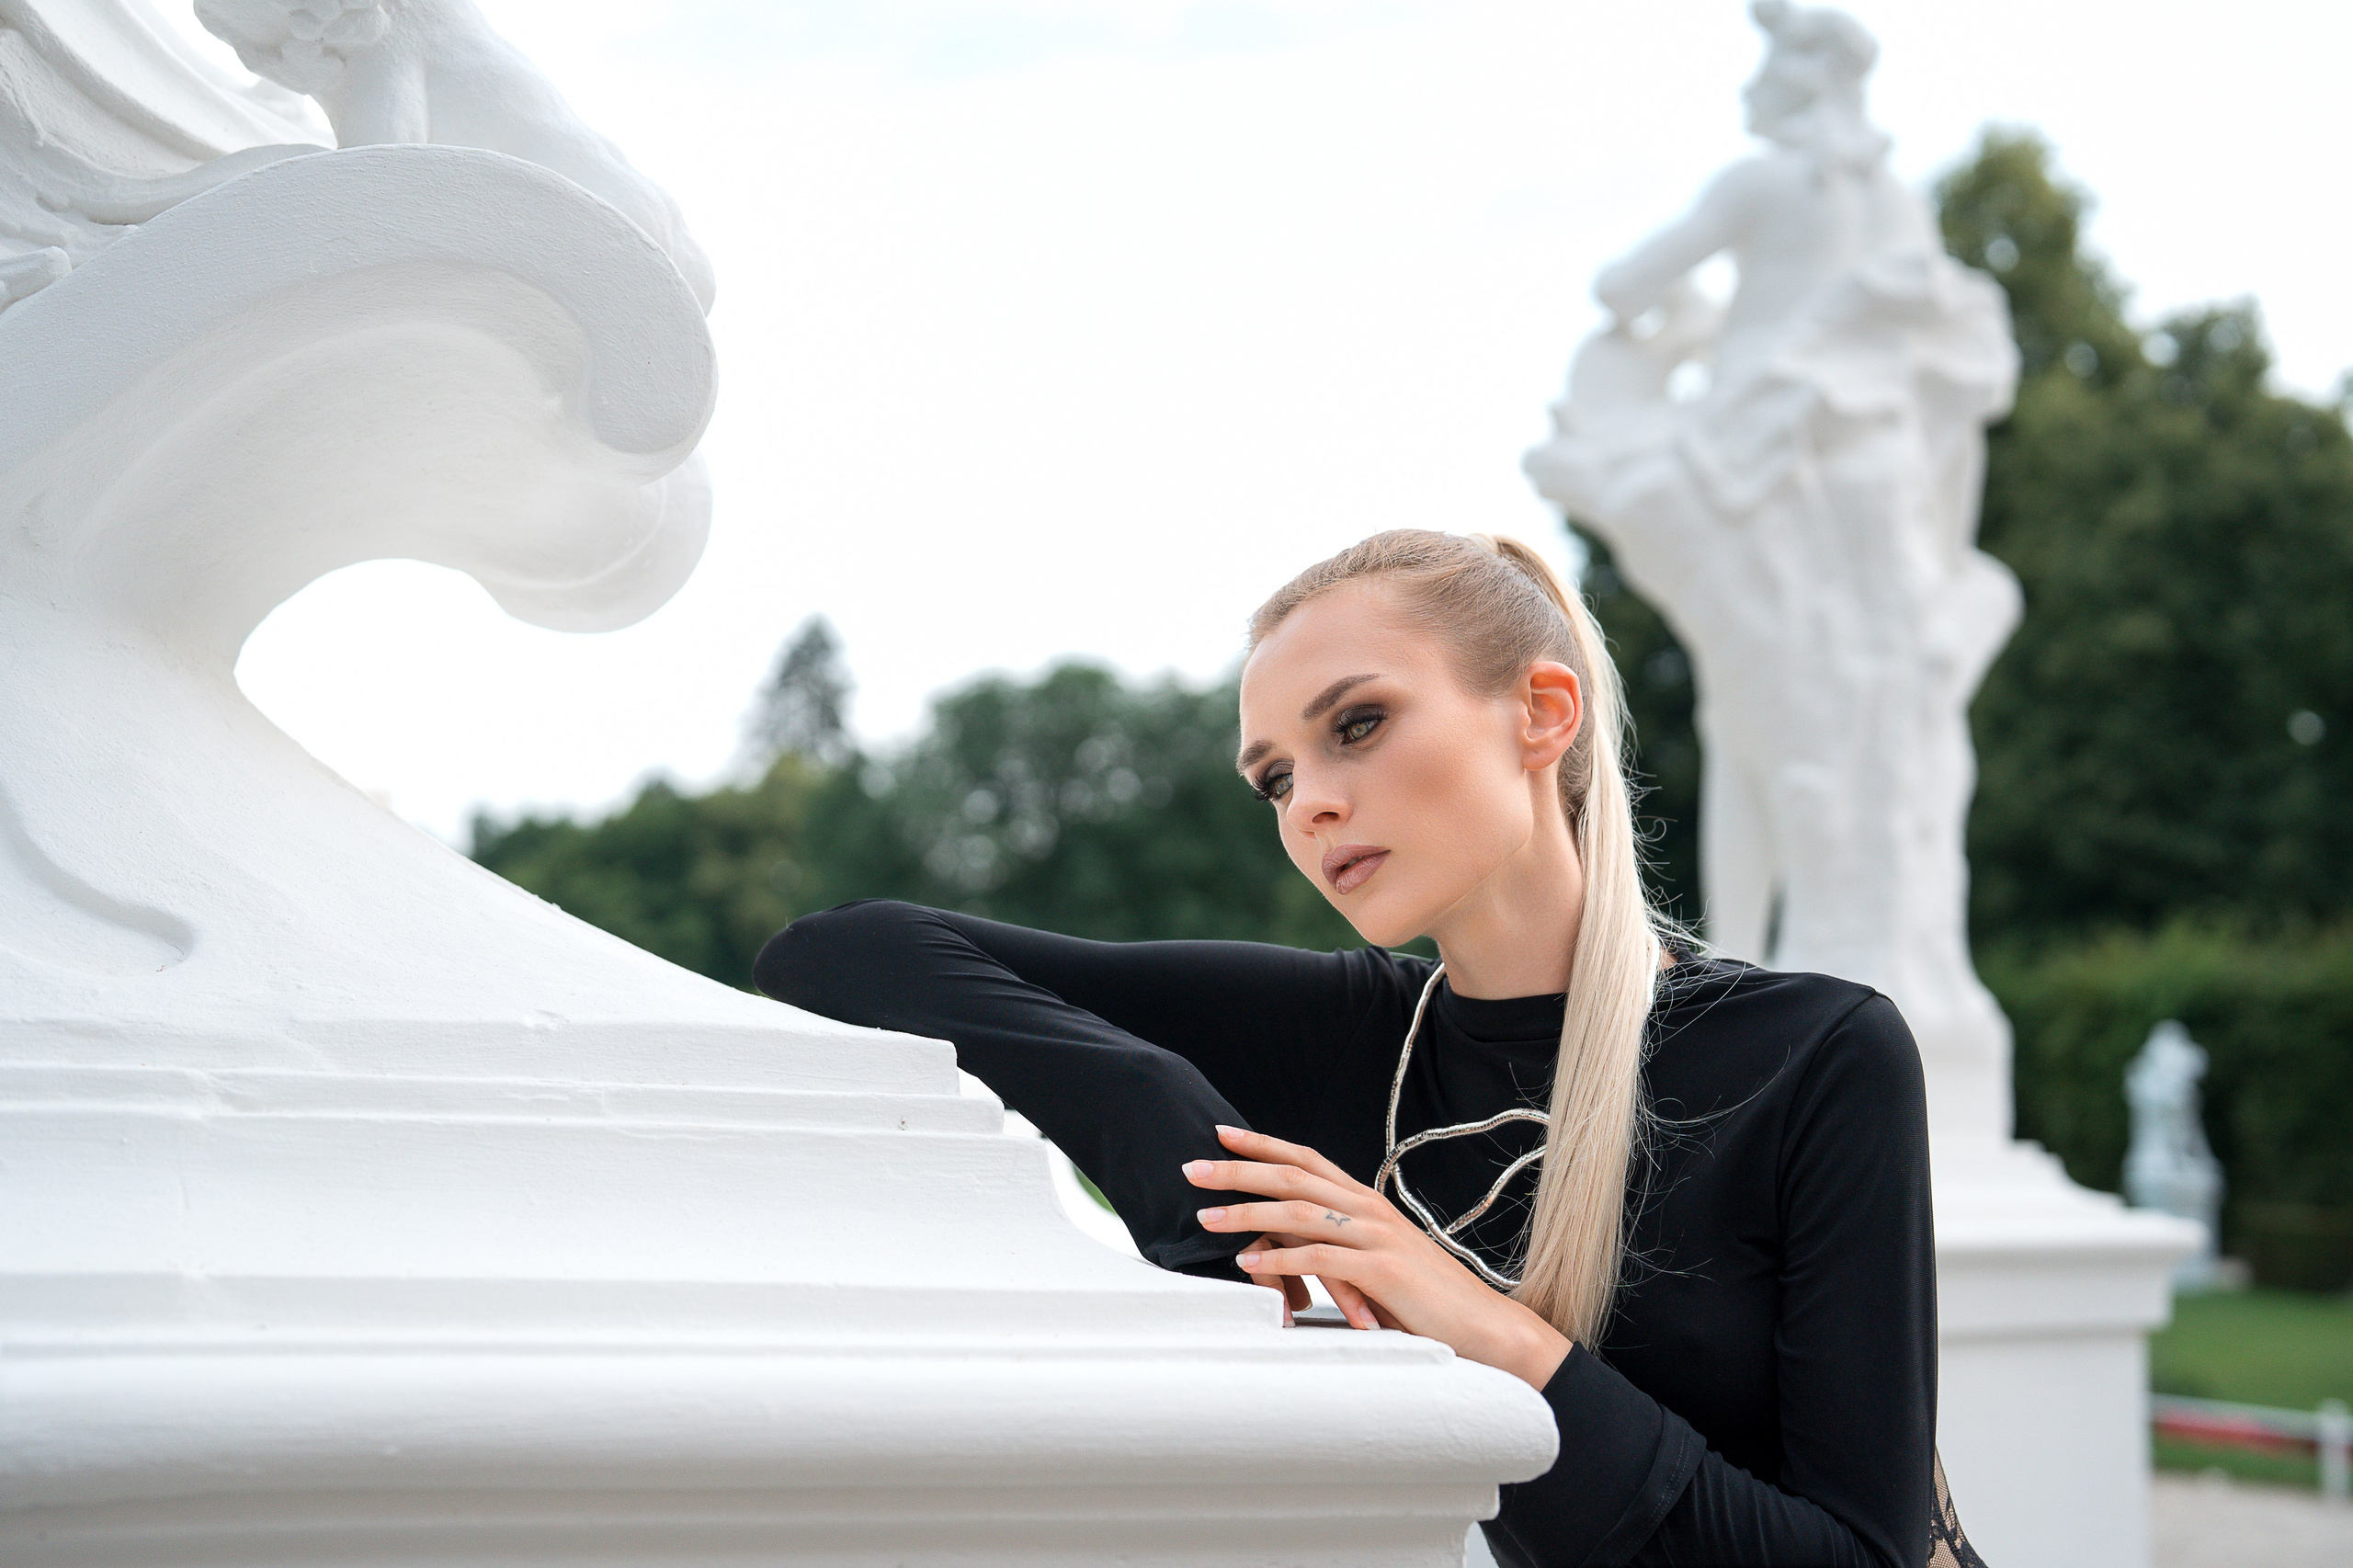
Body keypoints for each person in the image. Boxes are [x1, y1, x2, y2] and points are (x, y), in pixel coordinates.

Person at [758, 530, 1972, 1567]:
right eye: (1274, 779)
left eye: (1358, 724)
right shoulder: (1348, 1038)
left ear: (1543, 713)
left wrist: (1487, 1330)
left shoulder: (1816, 1054)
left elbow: (1858, 1554)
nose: (1309, 805)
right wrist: (1169, 1133)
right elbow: (842, 952)